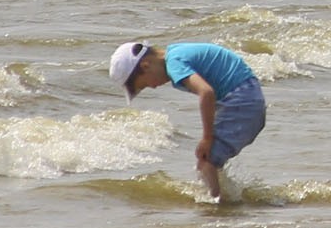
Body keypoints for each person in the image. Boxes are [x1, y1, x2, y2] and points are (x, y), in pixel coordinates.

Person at [111, 38, 264, 201]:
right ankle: (226, 201)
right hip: (248, 96)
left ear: (145, 66)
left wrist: (207, 138)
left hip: (242, 101)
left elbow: (206, 92)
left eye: (146, 84)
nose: (154, 87)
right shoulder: (175, 51)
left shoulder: (174, 64)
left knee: (206, 162)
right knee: (210, 163)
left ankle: (216, 210)